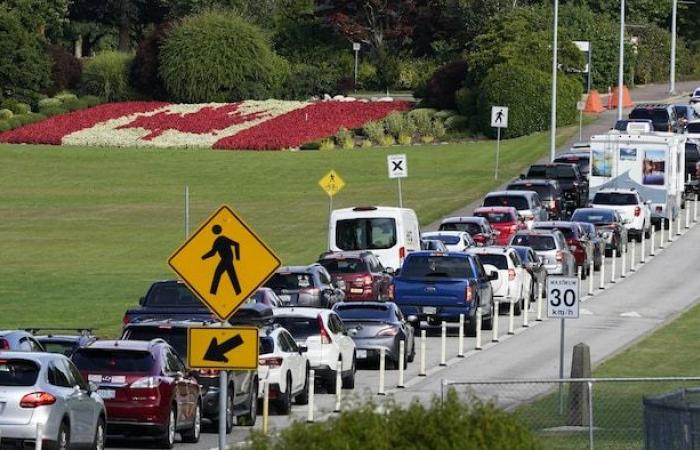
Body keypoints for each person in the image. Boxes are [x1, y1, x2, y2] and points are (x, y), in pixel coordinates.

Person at [202, 224, 241, 295]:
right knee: (232, 275)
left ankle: (212, 293)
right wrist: (203, 257)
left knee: (217, 274)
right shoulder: (217, 241)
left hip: (227, 258)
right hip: (227, 258)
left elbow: (236, 244)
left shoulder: (222, 239)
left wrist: (237, 258)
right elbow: (213, 252)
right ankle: (238, 292)